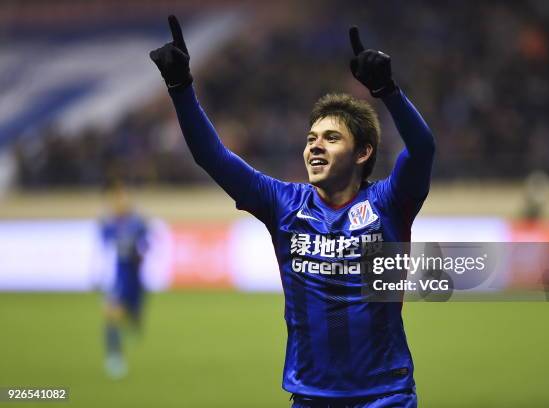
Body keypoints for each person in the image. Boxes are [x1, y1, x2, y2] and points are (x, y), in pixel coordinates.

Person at [150, 16, 434, 407]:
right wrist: (181, 88)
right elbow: (211, 156)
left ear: (363, 153)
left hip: (384, 397)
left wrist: (388, 91)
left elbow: (422, 150)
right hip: (310, 398)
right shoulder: (283, 203)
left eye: (331, 138)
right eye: (310, 139)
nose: (315, 147)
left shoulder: (389, 203)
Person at [99, 182, 149, 379]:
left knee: (134, 313)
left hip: (135, 277)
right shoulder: (109, 223)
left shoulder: (137, 222)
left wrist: (141, 252)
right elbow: (103, 247)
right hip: (118, 276)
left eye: (123, 197)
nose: (120, 202)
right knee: (112, 314)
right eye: (117, 198)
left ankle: (135, 325)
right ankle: (114, 357)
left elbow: (147, 244)